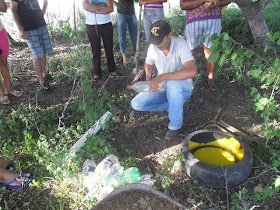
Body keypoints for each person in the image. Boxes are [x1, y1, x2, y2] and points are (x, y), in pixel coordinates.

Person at [131, 20, 197, 139]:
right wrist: (148, 72)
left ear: (170, 35)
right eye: (155, 42)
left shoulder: (180, 45)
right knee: (136, 104)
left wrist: (162, 76)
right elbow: (148, 62)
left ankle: (175, 125)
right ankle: (172, 106)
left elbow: (192, 71)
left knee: (172, 84)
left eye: (160, 41)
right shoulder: (154, 46)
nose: (157, 45)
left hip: (183, 88)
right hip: (163, 88)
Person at [180, 0, 231, 91]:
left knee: (210, 52)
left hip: (214, 21)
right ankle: (187, 79)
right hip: (193, 21)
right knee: (192, 52)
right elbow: (183, 5)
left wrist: (217, 2)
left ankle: (210, 78)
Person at [10, 0, 53, 93]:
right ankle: (42, 82)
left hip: (41, 24)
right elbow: (13, 10)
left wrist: (43, 11)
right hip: (29, 29)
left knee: (43, 51)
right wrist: (21, 29)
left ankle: (45, 74)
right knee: (37, 54)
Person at [82, 0, 118, 82]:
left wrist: (94, 10)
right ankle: (97, 72)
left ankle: (112, 70)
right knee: (95, 50)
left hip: (106, 24)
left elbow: (110, 9)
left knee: (109, 48)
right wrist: (102, 7)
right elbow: (86, 6)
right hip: (91, 25)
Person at [0, 0, 22, 105]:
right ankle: (1, 94)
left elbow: (4, 9)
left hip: (0, 31)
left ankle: (8, 89)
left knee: (4, 62)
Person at [112, 0, 138, 67]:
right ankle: (124, 59)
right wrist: (117, 4)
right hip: (121, 14)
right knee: (122, 37)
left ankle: (136, 56)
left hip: (132, 14)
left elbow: (137, 1)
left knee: (134, 37)